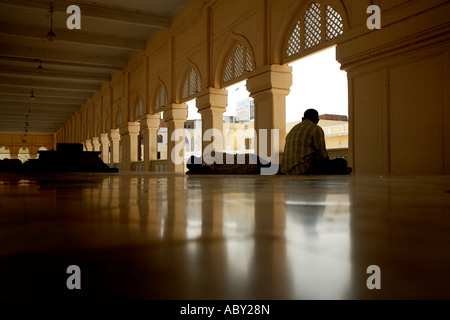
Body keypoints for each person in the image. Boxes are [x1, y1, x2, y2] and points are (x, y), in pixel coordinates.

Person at [280, 108, 351, 175]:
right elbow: (322, 154)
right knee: (342, 162)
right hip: (303, 169)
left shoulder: (293, 129)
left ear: (303, 119)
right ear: (317, 120)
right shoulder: (316, 128)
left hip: (286, 169)